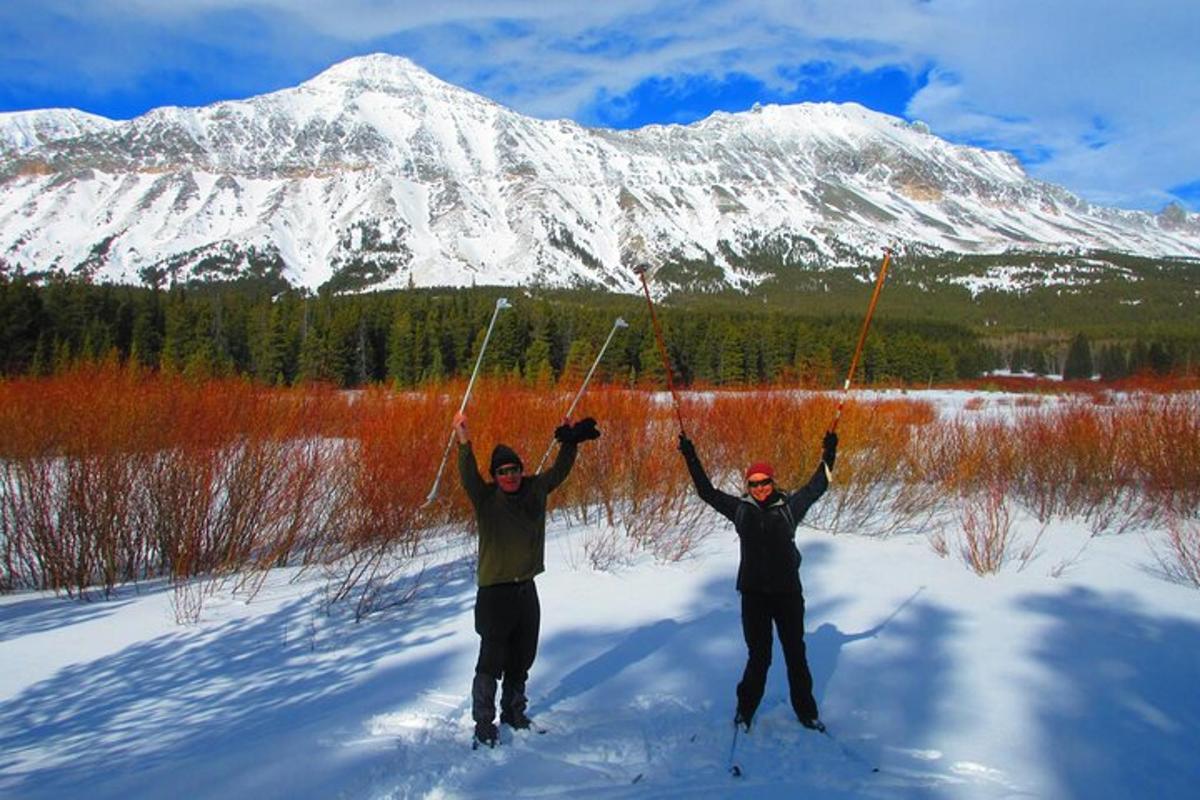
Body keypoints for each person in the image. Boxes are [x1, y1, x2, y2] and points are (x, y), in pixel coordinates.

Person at [454, 410, 600, 748]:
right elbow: (468, 476)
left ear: (522, 469)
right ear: (495, 475)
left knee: (522, 656)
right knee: (491, 659)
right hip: (494, 594)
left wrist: (569, 441)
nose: (510, 476)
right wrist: (464, 439)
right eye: (503, 472)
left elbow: (560, 472)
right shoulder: (487, 498)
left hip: (526, 590)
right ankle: (484, 722)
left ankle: (514, 711)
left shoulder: (534, 489)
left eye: (515, 469)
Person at [677, 428, 837, 733]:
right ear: (748, 486)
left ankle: (806, 713)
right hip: (754, 595)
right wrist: (690, 454)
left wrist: (829, 452)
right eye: (754, 484)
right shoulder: (740, 510)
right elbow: (706, 492)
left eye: (765, 482)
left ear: (772, 482)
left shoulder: (790, 507)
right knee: (759, 656)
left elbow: (818, 486)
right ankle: (745, 711)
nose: (760, 488)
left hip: (788, 594)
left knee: (795, 653)